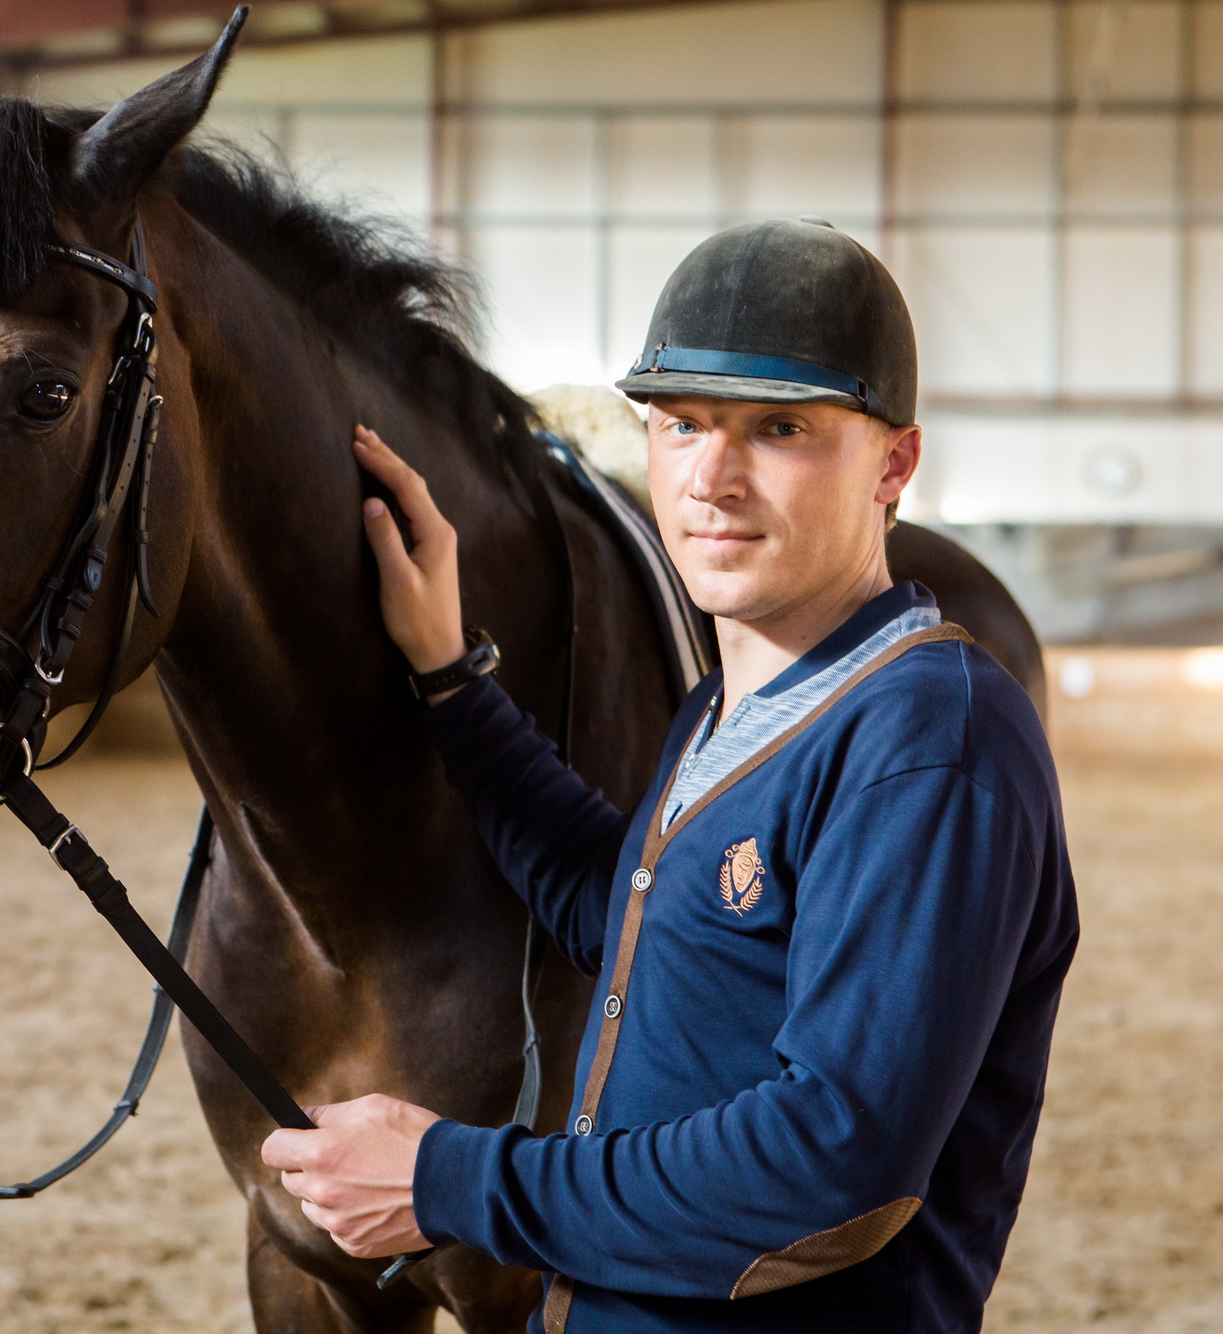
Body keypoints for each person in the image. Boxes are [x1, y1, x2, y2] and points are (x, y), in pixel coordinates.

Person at [260, 218, 1079, 1333]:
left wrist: (446, 1178)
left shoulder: (928, 741)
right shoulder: (727, 707)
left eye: (778, 428)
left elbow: (833, 1159)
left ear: (893, 461)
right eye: (681, 423)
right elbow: (634, 917)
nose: (711, 476)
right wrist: (453, 680)